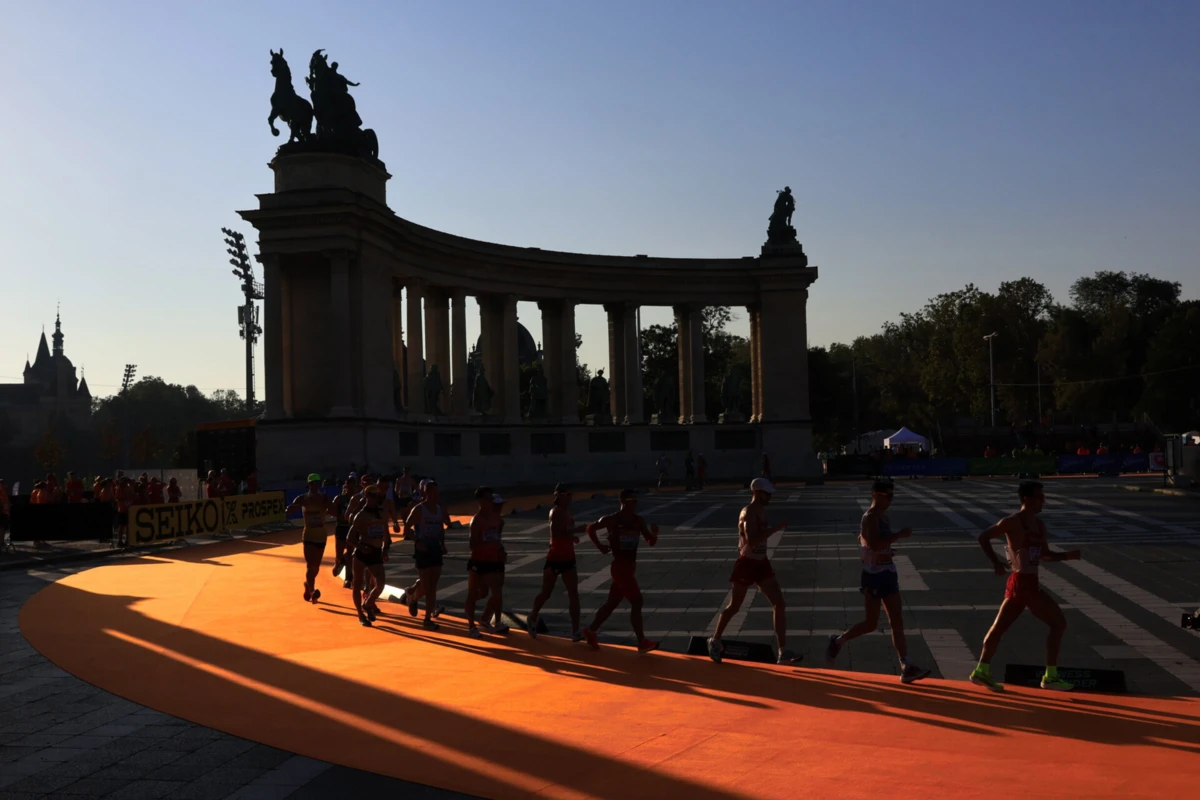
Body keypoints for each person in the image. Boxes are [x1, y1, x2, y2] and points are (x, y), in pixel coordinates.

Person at [969, 480, 1081, 692]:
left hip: (1025, 583)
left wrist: (1067, 556)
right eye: (1040, 497)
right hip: (1023, 583)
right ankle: (1050, 676)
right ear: (1027, 499)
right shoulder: (1012, 522)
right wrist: (995, 562)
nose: (1043, 502)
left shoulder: (1039, 525)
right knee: (1058, 623)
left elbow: (1046, 555)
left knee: (999, 627)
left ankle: (981, 670)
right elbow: (983, 536)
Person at [825, 478, 930, 683]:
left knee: (896, 621)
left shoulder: (883, 517)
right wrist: (897, 536)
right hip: (873, 575)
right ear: (876, 495)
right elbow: (873, 543)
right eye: (887, 496)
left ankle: (906, 665)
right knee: (871, 623)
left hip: (887, 572)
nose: (890, 500)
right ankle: (838, 641)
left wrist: (887, 552)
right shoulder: (870, 517)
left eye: (892, 495)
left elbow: (870, 543)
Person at [708, 478, 798, 665]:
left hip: (761, 563)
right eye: (767, 494)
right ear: (757, 492)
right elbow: (753, 540)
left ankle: (783, 650)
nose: (770, 497)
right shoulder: (748, 512)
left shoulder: (761, 511)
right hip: (747, 563)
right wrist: (776, 529)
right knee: (735, 606)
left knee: (779, 604)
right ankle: (715, 640)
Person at [579, 488, 660, 653]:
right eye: (632, 501)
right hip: (620, 567)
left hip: (629, 567)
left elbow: (650, 541)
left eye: (636, 501)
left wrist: (654, 534)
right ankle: (641, 641)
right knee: (637, 601)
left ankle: (591, 631)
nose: (636, 504)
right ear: (623, 501)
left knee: (612, 603)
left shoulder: (639, 521)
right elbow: (590, 528)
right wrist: (600, 546)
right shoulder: (612, 519)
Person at [528, 484, 587, 641]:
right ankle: (533, 616)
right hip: (554, 558)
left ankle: (575, 630)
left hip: (568, 557)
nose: (570, 498)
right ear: (559, 496)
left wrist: (573, 537)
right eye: (567, 495)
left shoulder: (568, 512)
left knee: (573, 594)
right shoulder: (555, 512)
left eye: (571, 495)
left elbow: (565, 533)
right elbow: (556, 533)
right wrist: (576, 531)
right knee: (546, 592)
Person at [403, 479, 450, 630]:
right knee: (427, 586)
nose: (436, 495)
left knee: (432, 586)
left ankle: (414, 597)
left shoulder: (438, 508)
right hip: (423, 550)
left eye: (437, 492)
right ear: (426, 493)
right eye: (433, 492)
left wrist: (442, 544)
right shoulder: (419, 509)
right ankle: (426, 618)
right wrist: (418, 542)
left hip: (435, 549)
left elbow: (441, 528)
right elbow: (407, 529)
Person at [465, 488, 509, 638]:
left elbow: (497, 538)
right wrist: (486, 543)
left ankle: (490, 620)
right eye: (488, 499)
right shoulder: (476, 520)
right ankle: (471, 626)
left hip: (492, 561)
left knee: (495, 593)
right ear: (481, 502)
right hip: (478, 562)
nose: (491, 502)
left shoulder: (497, 520)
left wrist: (500, 550)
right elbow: (472, 544)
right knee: (474, 594)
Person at [345, 485, 391, 626]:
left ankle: (369, 603)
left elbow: (386, 535)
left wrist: (385, 549)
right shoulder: (361, 515)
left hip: (376, 552)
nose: (376, 498)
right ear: (367, 497)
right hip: (362, 552)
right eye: (373, 495)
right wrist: (361, 547)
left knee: (381, 583)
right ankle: (360, 614)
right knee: (357, 584)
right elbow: (349, 538)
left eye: (377, 495)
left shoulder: (382, 513)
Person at [285, 473, 334, 604]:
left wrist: (332, 508)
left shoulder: (324, 498)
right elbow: (290, 510)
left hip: (321, 536)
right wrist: (288, 509)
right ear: (309, 484)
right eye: (313, 483)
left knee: (316, 567)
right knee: (310, 566)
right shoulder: (303, 498)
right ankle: (313, 592)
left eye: (317, 483)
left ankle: (307, 584)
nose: (315, 485)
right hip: (308, 536)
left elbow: (335, 512)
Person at [331, 477, 357, 588]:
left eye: (352, 485)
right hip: (341, 527)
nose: (350, 488)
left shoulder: (357, 499)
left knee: (350, 554)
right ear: (345, 486)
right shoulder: (339, 498)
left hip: (351, 528)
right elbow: (330, 509)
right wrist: (338, 515)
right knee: (339, 554)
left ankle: (348, 578)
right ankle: (337, 563)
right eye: (348, 485)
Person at [115, 477, 136, 546]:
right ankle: (120, 540)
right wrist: (125, 496)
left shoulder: (129, 488)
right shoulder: (119, 488)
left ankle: (127, 540)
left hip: (129, 508)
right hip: (122, 509)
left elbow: (133, 496)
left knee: (128, 526)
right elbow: (118, 498)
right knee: (122, 525)